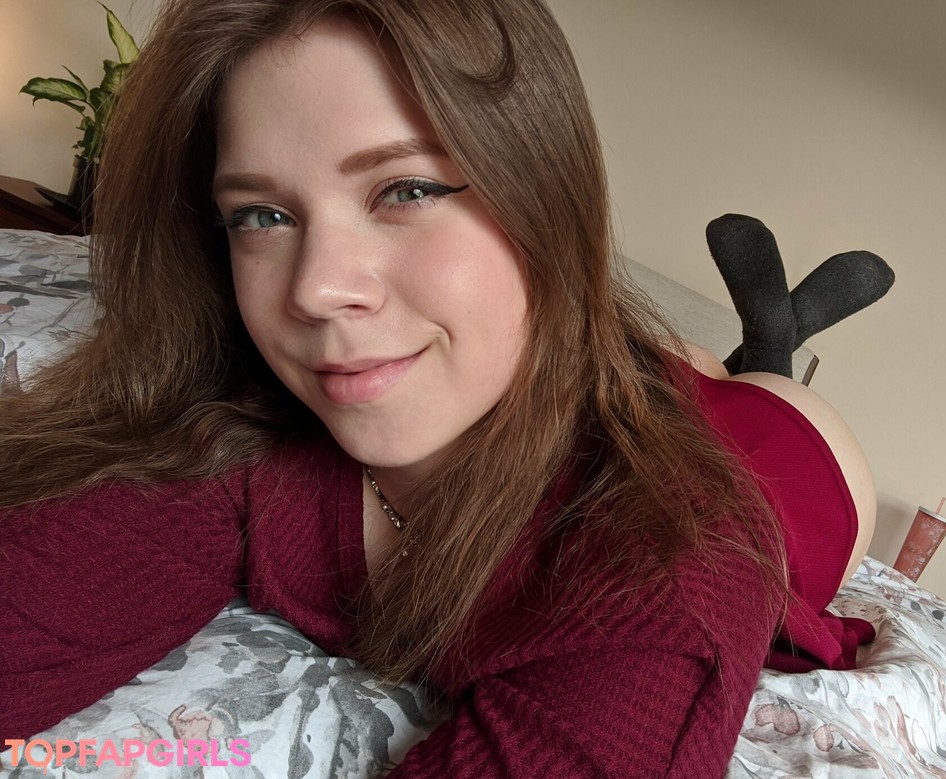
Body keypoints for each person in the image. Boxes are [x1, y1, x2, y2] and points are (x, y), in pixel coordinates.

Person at [0, 0, 876, 774]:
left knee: (756, 387)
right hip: (571, 371)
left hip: (785, 462)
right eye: (263, 215)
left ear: (546, 200)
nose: (315, 289)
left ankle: (773, 347)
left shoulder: (668, 570)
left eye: (406, 189)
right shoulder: (237, 425)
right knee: (646, 358)